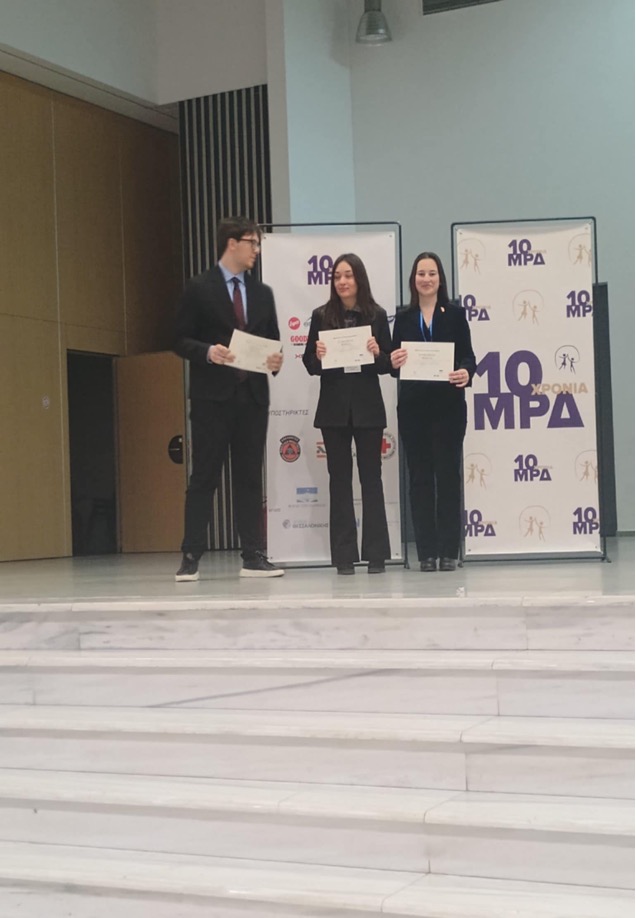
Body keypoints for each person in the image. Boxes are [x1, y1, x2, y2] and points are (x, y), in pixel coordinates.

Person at [174, 216, 284, 581]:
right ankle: (191, 555)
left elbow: (273, 340)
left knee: (250, 477)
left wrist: (276, 360)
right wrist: (208, 352)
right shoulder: (198, 288)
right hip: (212, 398)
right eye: (252, 242)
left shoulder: (263, 293)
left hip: (252, 397)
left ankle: (253, 555)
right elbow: (179, 339)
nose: (257, 250)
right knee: (204, 476)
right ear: (232, 244)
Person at [302, 253, 392, 575]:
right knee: (339, 481)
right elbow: (310, 365)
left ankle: (377, 554)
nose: (342, 281)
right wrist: (317, 354)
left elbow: (388, 365)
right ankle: (343, 556)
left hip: (368, 408)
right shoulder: (321, 315)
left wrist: (378, 353)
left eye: (348, 275)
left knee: (372, 480)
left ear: (359, 279)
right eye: (337, 276)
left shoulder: (377, 315)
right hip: (334, 409)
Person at [391, 252, 476, 572]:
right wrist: (393, 360)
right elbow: (394, 366)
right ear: (413, 279)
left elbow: (468, 357)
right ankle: (426, 552)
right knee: (420, 479)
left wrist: (466, 372)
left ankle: (450, 551)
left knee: (448, 477)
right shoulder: (403, 318)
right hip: (413, 409)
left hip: (448, 408)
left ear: (441, 279)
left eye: (432, 273)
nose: (426, 279)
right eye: (420, 273)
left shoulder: (455, 314)